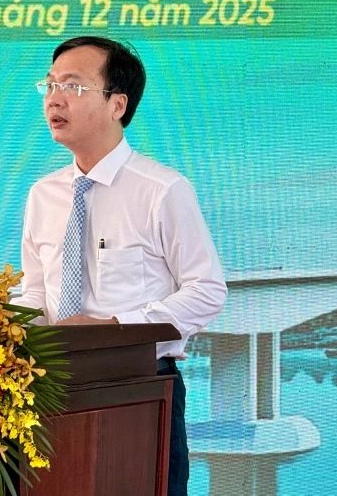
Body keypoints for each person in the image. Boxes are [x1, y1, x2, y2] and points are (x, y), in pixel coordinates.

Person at [18, 36, 227, 496]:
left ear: (117, 104)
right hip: (52, 392)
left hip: (141, 390)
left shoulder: (162, 189)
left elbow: (207, 289)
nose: (53, 98)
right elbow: (35, 290)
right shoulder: (43, 194)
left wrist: (113, 328)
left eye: (72, 86)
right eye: (48, 85)